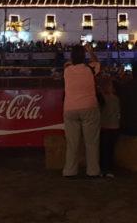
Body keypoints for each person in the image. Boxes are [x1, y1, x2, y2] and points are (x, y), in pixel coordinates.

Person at [62, 42, 101, 177]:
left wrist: (73, 59)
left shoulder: (67, 70)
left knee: (72, 143)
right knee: (91, 142)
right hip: (89, 106)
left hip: (70, 108)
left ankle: (69, 171)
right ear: (84, 56)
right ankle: (93, 171)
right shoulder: (90, 69)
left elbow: (67, 63)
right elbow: (96, 62)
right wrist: (90, 51)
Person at [98, 75, 121, 177]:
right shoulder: (116, 99)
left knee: (102, 149)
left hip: (103, 127)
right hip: (114, 127)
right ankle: (109, 169)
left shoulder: (100, 99)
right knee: (110, 150)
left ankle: (102, 168)